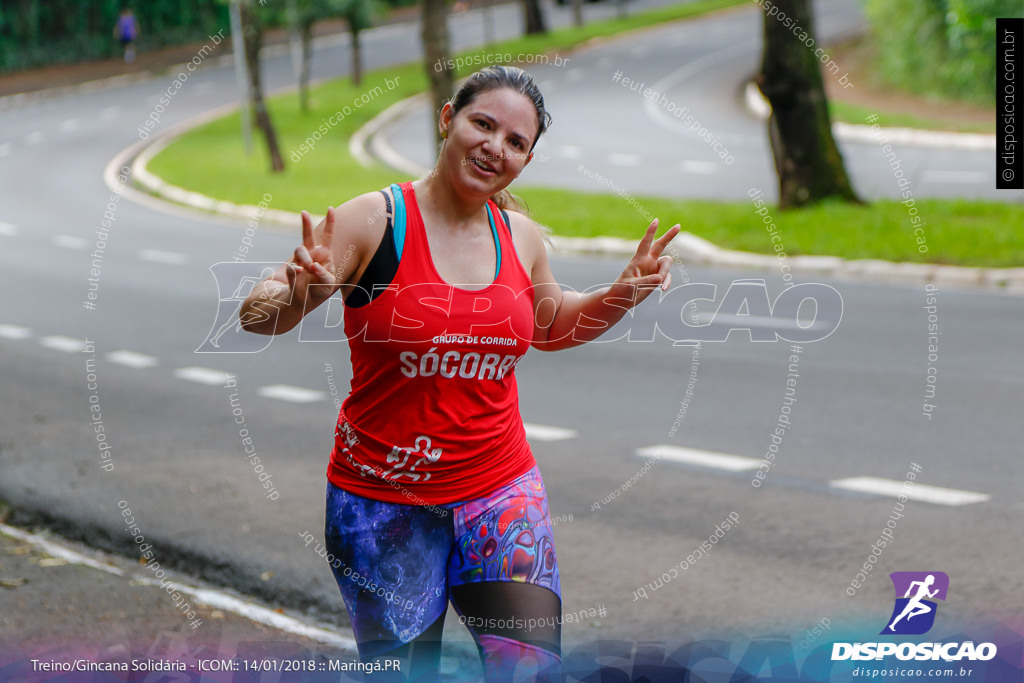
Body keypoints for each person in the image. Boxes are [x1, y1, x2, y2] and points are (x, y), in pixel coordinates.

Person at [239, 65, 679, 681]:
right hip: (383, 504)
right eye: (483, 124)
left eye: (516, 142)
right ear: (448, 119)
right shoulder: (377, 220)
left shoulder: (519, 237)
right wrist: (297, 292)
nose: (495, 147)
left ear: (526, 160)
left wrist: (621, 295)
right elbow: (256, 314)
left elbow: (551, 329)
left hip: (501, 492)